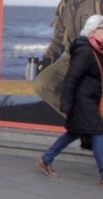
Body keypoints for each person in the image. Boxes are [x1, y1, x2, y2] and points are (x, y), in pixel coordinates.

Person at [33, 0, 103, 116]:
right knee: (42, 84)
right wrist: (47, 59)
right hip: (73, 60)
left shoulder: (100, 0)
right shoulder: (65, 4)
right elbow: (58, 39)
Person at [36, 14, 103, 186]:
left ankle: (46, 159)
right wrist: (66, 103)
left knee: (74, 131)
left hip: (91, 98)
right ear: (94, 31)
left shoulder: (97, 48)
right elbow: (71, 78)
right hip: (83, 100)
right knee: (98, 132)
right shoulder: (85, 51)